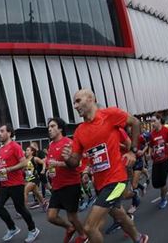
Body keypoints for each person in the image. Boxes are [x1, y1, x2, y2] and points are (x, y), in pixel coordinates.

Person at [62, 89, 148, 243]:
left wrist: (133, 152)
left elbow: (135, 122)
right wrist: (68, 159)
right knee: (119, 214)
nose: (75, 106)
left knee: (89, 227)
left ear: (90, 99)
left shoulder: (109, 115)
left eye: (78, 101)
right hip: (100, 184)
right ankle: (140, 238)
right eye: (74, 103)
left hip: (117, 181)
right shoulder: (79, 132)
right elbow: (75, 162)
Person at [0, 124, 40, 242]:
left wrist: (8, 169)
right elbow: (3, 164)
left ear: (9, 133)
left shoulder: (15, 146)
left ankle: (33, 229)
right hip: (4, 184)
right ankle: (12, 228)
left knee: (20, 209)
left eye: (2, 131)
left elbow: (24, 163)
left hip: (16, 184)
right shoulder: (1, 149)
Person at [45, 118, 88, 243]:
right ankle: (69, 228)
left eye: (53, 126)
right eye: (49, 127)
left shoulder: (69, 143)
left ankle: (84, 236)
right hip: (57, 186)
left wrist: (58, 163)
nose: (49, 129)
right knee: (51, 217)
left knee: (72, 216)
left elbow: (77, 164)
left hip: (70, 184)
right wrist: (49, 169)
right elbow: (50, 162)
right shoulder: (51, 145)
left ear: (60, 129)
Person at [147, 113, 168, 209]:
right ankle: (164, 188)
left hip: (166, 159)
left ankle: (163, 199)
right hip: (156, 161)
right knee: (155, 183)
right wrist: (149, 154)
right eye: (151, 121)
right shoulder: (152, 134)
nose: (152, 123)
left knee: (162, 181)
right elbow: (151, 146)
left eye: (154, 121)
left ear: (159, 120)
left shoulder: (166, 130)